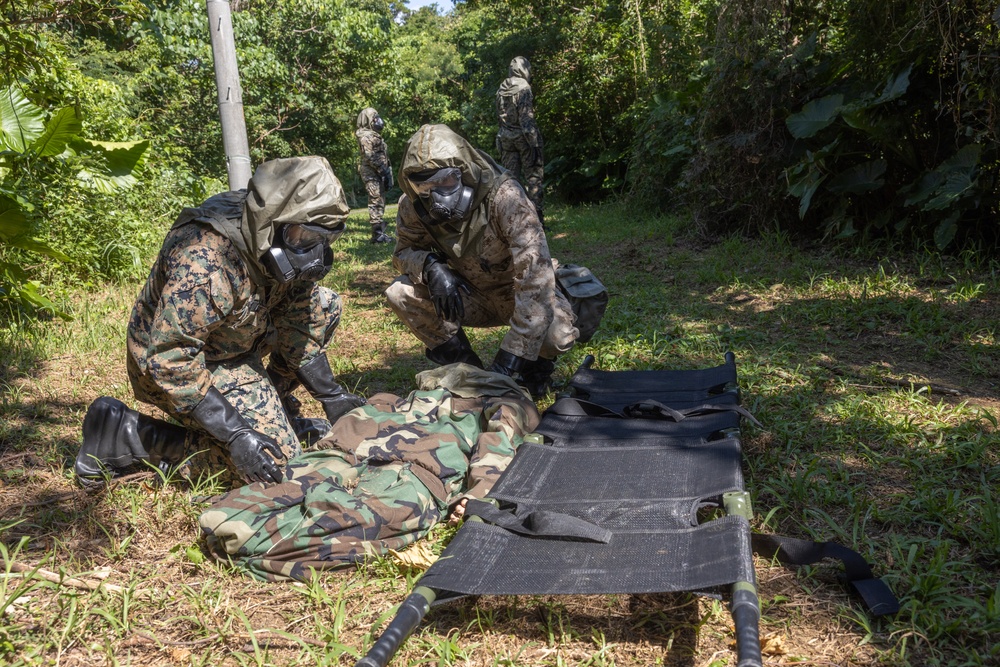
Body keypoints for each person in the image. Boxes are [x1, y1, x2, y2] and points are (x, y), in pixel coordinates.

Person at [74, 156, 366, 489]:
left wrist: (330, 395)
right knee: (273, 467)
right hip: (178, 363)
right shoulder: (207, 259)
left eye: (324, 241)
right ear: (272, 221)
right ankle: (126, 435)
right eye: (304, 239)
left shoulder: (276, 237)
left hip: (237, 339)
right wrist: (236, 434)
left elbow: (300, 314)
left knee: (325, 305)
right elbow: (171, 359)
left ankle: (272, 409)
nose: (314, 253)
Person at [198, 363, 540, 581]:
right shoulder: (506, 407)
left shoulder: (397, 398)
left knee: (281, 494)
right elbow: (497, 448)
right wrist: (479, 496)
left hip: (350, 451)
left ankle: (233, 527)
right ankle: (257, 543)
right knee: (353, 524)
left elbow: (361, 415)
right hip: (414, 471)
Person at [384, 124, 578, 399]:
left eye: (446, 181)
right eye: (424, 186)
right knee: (400, 292)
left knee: (556, 335)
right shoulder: (412, 205)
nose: (436, 195)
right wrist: (431, 266)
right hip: (468, 295)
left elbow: (535, 278)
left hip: (517, 295)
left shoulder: (505, 197)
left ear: (465, 171)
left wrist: (507, 363)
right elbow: (402, 253)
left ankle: (534, 371)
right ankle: (468, 372)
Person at [495, 56, 544, 227]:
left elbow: (499, 117)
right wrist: (534, 143)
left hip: (506, 139)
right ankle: (537, 220)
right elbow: (526, 118)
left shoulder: (502, 88)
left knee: (510, 182)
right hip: (524, 139)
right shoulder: (524, 88)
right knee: (534, 177)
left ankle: (514, 221)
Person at [355, 107, 394, 244]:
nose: (378, 121)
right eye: (375, 118)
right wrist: (383, 170)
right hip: (372, 172)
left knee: (380, 199)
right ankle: (377, 234)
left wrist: (386, 172)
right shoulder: (365, 136)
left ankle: (380, 231)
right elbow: (370, 157)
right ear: (368, 120)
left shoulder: (372, 135)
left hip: (379, 171)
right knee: (375, 199)